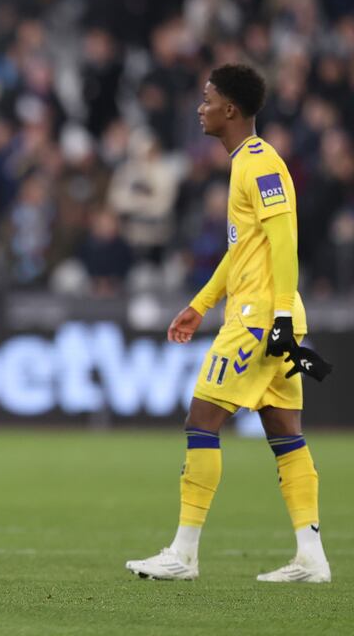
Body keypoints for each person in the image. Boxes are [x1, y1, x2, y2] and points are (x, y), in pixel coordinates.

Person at [126, 64, 333, 583]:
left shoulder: (259, 165)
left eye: (207, 98)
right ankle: (311, 558)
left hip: (262, 318)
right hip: (266, 313)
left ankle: (184, 554)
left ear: (230, 110)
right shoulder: (244, 163)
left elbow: (285, 238)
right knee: (286, 434)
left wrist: (281, 315)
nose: (201, 107)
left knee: (201, 421)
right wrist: (200, 303)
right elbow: (243, 250)